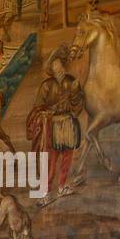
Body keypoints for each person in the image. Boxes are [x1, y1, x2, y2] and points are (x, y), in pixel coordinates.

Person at [26, 44, 84, 205]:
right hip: (51, 125)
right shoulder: (46, 85)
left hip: (68, 124)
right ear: (51, 68)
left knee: (67, 156)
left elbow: (77, 104)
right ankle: (45, 192)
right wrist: (45, 113)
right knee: (51, 160)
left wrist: (74, 94)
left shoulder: (71, 81)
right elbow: (37, 107)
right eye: (55, 65)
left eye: (60, 65)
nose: (58, 68)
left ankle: (62, 186)